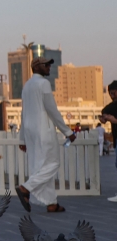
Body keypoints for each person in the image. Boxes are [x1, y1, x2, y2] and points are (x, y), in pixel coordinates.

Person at [17, 57, 76, 213]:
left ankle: (51, 203)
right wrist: (68, 132)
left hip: (30, 131)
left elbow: (23, 113)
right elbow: (52, 109)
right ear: (37, 67)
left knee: (40, 167)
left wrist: (22, 138)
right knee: (52, 163)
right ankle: (25, 188)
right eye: (46, 65)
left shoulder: (27, 85)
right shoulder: (43, 83)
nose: (49, 67)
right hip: (43, 130)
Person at [99, 80, 117, 201]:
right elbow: (104, 112)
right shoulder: (112, 106)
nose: (112, 95)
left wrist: (114, 120)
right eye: (110, 93)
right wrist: (104, 118)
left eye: (114, 92)